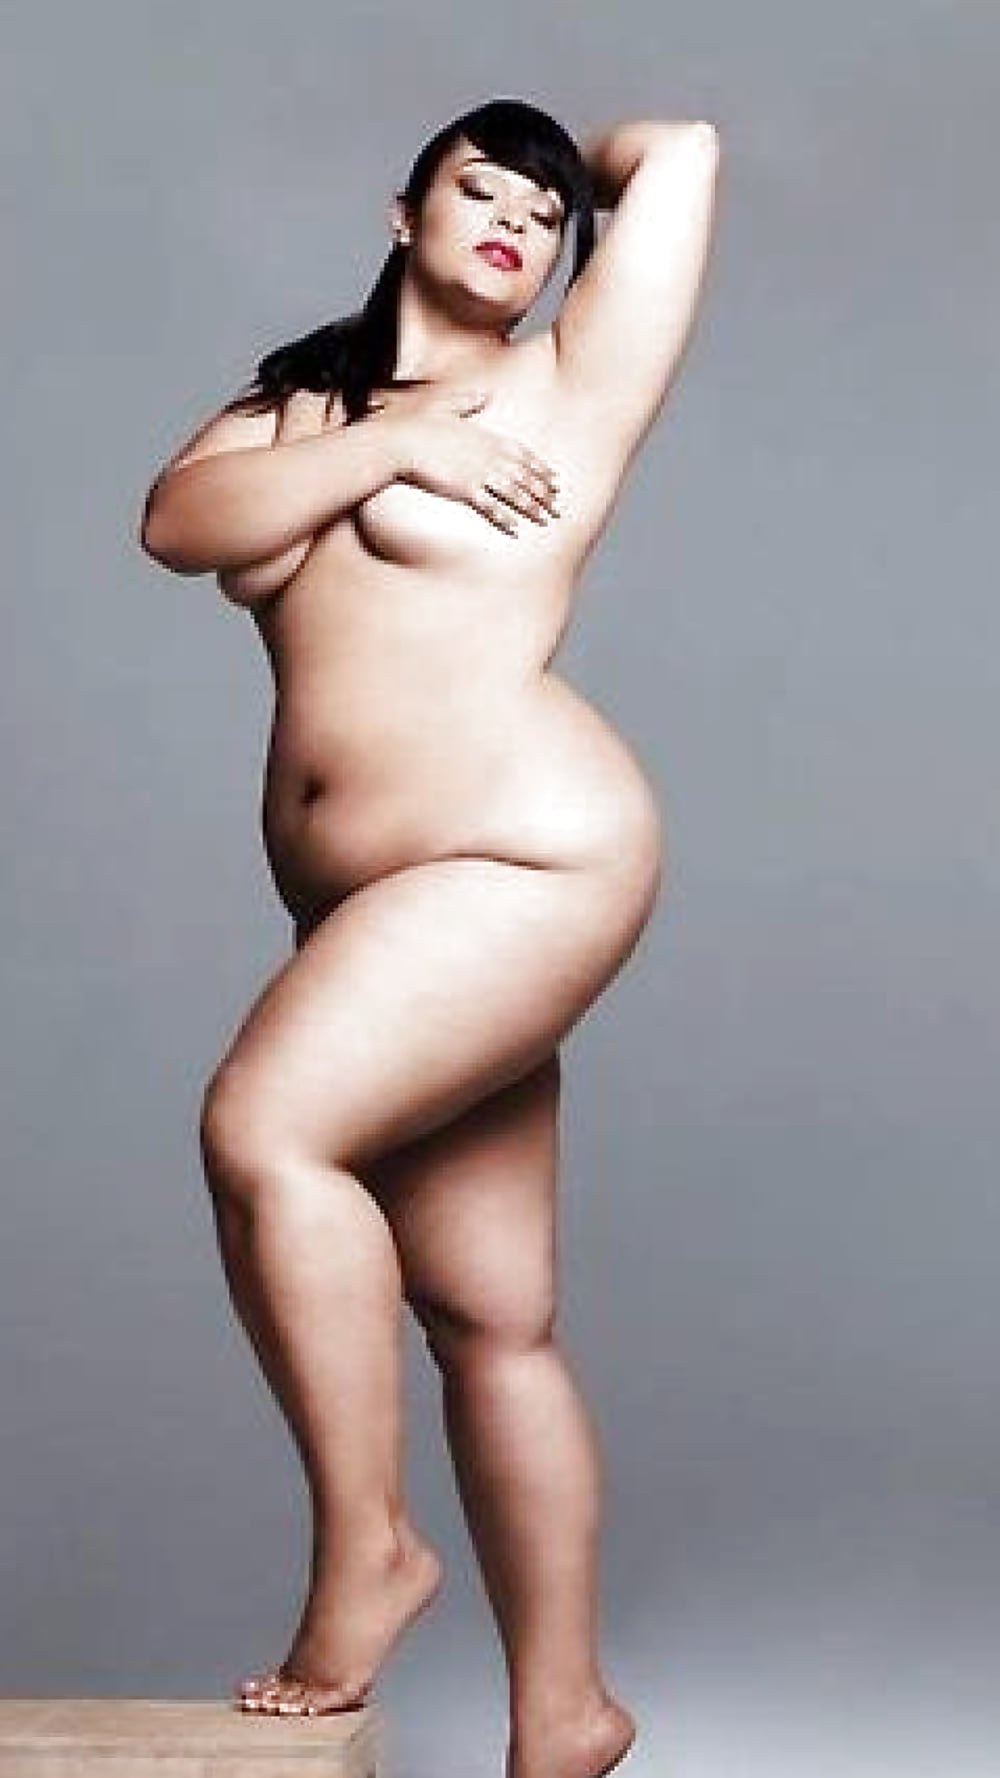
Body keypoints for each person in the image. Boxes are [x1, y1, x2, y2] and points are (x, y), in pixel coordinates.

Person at [139, 95, 720, 1778]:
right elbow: (177, 523)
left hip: (522, 855)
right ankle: (568, 1710)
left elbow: (682, 151)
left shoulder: (568, 385)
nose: (517, 225)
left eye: (543, 214)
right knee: (487, 1310)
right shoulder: (304, 406)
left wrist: (563, 164)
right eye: (480, 190)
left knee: (267, 1130)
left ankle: (370, 1552)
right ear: (402, 213)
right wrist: (396, 448)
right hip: (373, 900)